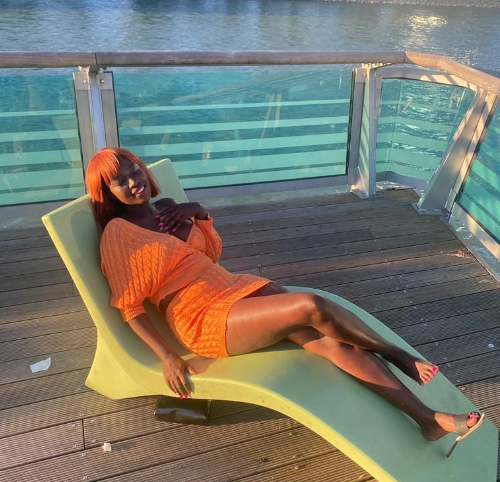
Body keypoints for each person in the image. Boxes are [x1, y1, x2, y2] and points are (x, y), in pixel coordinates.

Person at [86, 147, 484, 457]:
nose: (133, 181)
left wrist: (197, 212)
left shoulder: (165, 209)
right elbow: (128, 306)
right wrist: (168, 357)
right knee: (312, 306)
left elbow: (212, 253)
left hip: (231, 286)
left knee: (333, 342)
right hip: (200, 316)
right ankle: (395, 353)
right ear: (108, 194)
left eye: (134, 170)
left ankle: (428, 420)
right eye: (120, 181)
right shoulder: (119, 233)